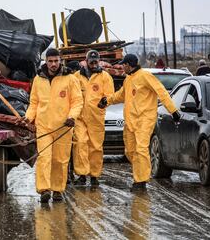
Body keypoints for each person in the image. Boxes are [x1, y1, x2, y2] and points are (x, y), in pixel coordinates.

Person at [98, 54, 180, 191]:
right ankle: (139, 176)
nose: (122, 66)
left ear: (130, 64)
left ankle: (140, 181)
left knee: (141, 149)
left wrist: (173, 111)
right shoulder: (128, 79)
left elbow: (161, 91)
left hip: (145, 119)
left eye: (124, 64)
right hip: (130, 121)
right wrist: (107, 101)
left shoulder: (145, 76)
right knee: (130, 151)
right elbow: (121, 95)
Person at [21, 48, 83, 203]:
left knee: (60, 160)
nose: (53, 64)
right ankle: (44, 190)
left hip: (63, 126)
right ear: (46, 61)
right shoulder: (38, 79)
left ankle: (57, 190)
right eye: (50, 61)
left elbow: (77, 101)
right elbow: (34, 103)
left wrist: (72, 117)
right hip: (44, 127)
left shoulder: (70, 79)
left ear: (60, 60)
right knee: (44, 158)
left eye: (56, 61)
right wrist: (28, 118)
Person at [73, 50, 114, 186]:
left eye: (96, 61)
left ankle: (95, 175)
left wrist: (105, 101)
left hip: (96, 117)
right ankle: (82, 174)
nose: (94, 64)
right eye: (91, 61)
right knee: (80, 143)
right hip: (80, 117)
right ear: (86, 61)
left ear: (99, 61)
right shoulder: (76, 77)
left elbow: (110, 95)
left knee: (96, 147)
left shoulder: (105, 77)